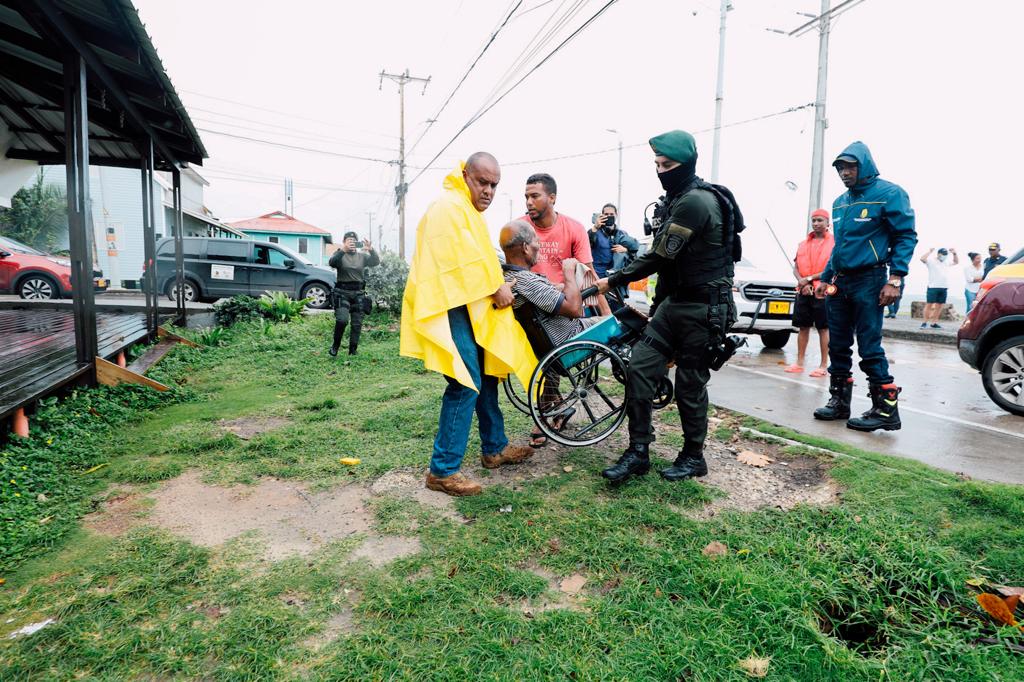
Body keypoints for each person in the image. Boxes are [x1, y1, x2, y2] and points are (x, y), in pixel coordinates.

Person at [595, 129, 741, 483]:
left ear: (687, 163)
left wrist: (611, 281)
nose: (662, 171)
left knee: (690, 385)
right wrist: (657, 309)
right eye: (657, 164)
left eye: (669, 164)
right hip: (673, 306)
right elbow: (671, 265)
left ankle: (693, 457)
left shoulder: (695, 202)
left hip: (703, 309)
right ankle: (638, 452)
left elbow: (660, 256)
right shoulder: (676, 199)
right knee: (640, 369)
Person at [400, 152, 537, 497]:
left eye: (494, 185)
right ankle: (442, 471)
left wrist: (497, 284)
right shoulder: (450, 206)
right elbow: (455, 260)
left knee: (486, 375)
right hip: (447, 306)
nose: (488, 191)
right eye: (482, 182)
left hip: (464, 304)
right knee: (465, 382)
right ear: (465, 175)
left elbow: (476, 258)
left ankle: (495, 448)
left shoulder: (466, 210)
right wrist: (496, 286)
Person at [813, 141, 917, 432]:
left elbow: (906, 236)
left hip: (871, 280)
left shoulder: (889, 194)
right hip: (840, 282)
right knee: (838, 344)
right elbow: (839, 247)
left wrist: (895, 279)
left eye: (850, 166)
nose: (844, 173)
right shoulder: (840, 202)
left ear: (865, 165)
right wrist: (824, 277)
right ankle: (839, 402)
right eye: (840, 168)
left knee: (869, 345)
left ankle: (885, 410)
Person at [499, 219, 602, 447]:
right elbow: (574, 309)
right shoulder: (526, 281)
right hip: (570, 340)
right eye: (536, 241)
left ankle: (554, 410)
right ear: (526, 247)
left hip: (546, 345)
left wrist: (562, 288)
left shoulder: (507, 278)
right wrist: (568, 272)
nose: (539, 246)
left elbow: (548, 294)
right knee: (621, 321)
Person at [521, 174, 611, 316]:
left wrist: (607, 314)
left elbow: (589, 272)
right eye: (527, 197)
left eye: (535, 196)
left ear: (552, 198)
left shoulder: (574, 228)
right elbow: (512, 272)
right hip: (531, 306)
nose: (529, 202)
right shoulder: (519, 228)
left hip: (566, 305)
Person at [787, 209, 834, 377]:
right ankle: (799, 362)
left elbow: (833, 268)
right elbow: (796, 267)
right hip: (804, 291)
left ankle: (823, 365)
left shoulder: (835, 243)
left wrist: (809, 278)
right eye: (813, 220)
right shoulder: (803, 244)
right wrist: (801, 280)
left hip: (823, 291)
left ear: (828, 223)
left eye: (819, 220)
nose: (815, 223)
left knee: (823, 328)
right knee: (803, 327)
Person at [327, 232, 379, 356]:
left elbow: (376, 262)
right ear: (344, 242)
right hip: (342, 292)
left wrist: (371, 250)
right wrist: (343, 250)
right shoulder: (339, 254)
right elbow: (332, 263)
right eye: (349, 241)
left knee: (357, 323)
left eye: (354, 241)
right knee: (342, 320)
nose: (351, 243)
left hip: (358, 293)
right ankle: (335, 346)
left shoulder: (362, 257)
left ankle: (353, 350)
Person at [590, 203, 639, 278]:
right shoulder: (595, 231)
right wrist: (595, 227)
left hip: (616, 278)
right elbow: (586, 246)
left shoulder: (622, 234)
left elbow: (634, 255)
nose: (609, 216)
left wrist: (625, 250)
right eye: (606, 214)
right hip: (597, 276)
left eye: (611, 214)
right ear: (602, 215)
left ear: (616, 215)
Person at [919, 247, 958, 329]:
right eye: (943, 254)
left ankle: (934, 323)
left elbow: (956, 262)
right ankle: (924, 322)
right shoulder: (931, 261)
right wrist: (929, 251)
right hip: (933, 286)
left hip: (944, 287)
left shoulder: (946, 262)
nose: (944, 256)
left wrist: (954, 253)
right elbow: (922, 259)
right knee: (929, 305)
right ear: (938, 254)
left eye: (945, 255)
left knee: (939, 306)